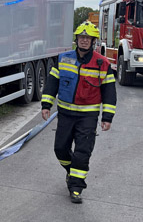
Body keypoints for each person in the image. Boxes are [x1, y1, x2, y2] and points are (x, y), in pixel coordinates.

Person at [41, 22, 117, 203]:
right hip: (65, 114)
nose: (84, 41)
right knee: (60, 149)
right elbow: (52, 83)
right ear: (76, 39)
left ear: (93, 41)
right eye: (81, 37)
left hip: (88, 116)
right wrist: (46, 104)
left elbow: (109, 93)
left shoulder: (102, 64)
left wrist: (107, 117)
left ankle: (76, 187)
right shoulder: (63, 59)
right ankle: (71, 171)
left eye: (88, 38)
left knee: (83, 152)